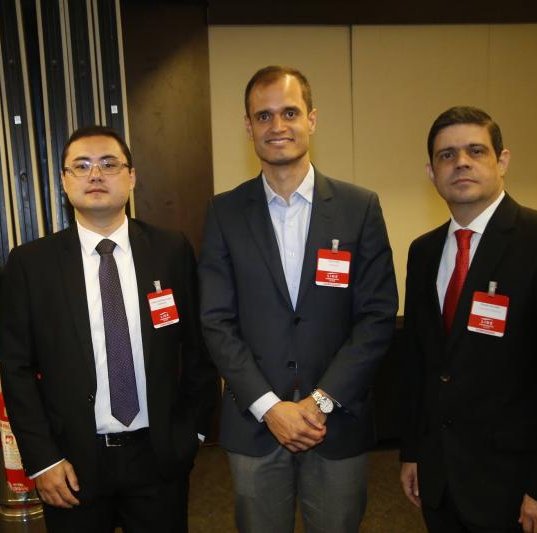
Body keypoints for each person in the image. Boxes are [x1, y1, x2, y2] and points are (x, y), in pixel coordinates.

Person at [198, 65, 398, 533]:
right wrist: (270, 407)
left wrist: (319, 403)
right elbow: (216, 320)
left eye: (289, 112)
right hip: (255, 423)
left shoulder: (359, 207)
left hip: (337, 421)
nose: (277, 126)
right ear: (248, 126)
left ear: (312, 119)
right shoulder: (224, 212)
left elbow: (376, 316)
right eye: (263, 116)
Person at [0, 125, 218, 533]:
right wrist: (43, 458)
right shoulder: (31, 264)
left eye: (109, 164)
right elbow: (16, 370)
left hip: (159, 456)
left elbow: (199, 348)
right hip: (71, 462)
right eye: (81, 166)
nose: (95, 175)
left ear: (131, 177)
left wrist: (195, 432)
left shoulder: (170, 250)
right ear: (64, 181)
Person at [400, 106, 537, 533]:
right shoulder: (423, 251)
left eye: (475, 151)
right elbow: (421, 362)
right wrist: (413, 452)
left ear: (502, 161)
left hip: (520, 490)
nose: (461, 163)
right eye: (447, 155)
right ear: (431, 172)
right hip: (441, 482)